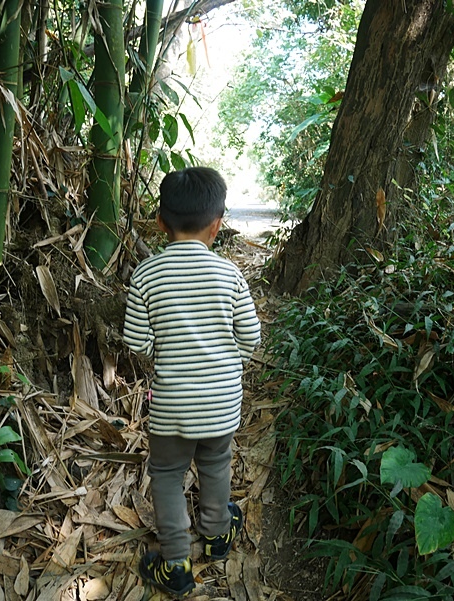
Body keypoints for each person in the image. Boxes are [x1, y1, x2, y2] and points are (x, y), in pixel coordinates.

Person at [123, 167, 261, 597]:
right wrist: (223, 364)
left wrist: (166, 354)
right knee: (217, 464)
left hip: (172, 406)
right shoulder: (230, 276)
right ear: (218, 224)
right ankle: (219, 535)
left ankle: (176, 563)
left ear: (161, 222)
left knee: (166, 474)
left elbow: (136, 342)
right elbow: (251, 338)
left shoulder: (146, 276)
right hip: (221, 406)